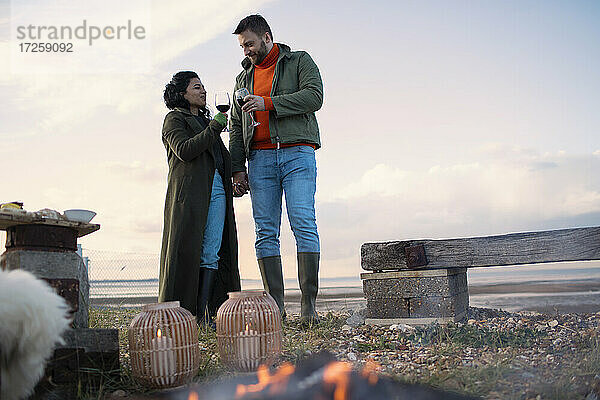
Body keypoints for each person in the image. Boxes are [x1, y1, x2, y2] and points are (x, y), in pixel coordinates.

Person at [229, 15, 324, 324]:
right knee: (265, 232)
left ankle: (308, 307)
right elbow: (234, 125)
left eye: (250, 44)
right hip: (260, 160)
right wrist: (237, 168)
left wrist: (267, 103)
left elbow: (315, 96)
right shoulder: (242, 80)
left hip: (297, 152)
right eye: (243, 46)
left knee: (302, 222)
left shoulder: (299, 61)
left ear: (267, 37)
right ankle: (277, 310)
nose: (246, 51)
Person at [159, 71, 241, 325]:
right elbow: (184, 150)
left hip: (217, 189)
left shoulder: (207, 122)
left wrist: (236, 176)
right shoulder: (174, 119)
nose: (203, 91)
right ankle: (182, 313)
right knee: (185, 249)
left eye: (203, 86)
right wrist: (216, 126)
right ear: (182, 93)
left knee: (212, 251)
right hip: (189, 195)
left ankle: (205, 314)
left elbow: (219, 156)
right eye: (196, 87)